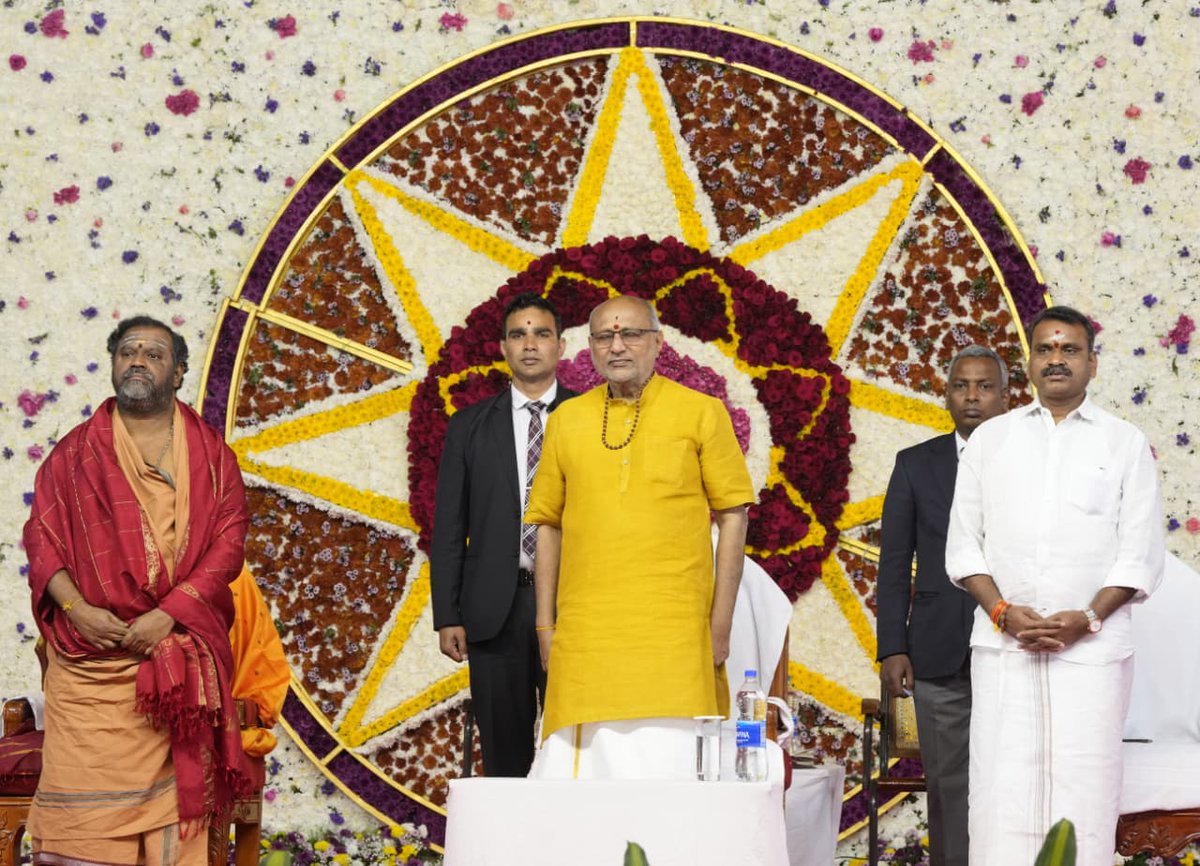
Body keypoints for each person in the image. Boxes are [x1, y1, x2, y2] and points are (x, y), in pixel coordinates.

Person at [23, 315, 252, 865]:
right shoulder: (73, 455)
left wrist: (168, 615)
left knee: (173, 825)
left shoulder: (212, 457)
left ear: (178, 372)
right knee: (83, 825)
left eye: (154, 354)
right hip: (90, 664)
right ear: (113, 364)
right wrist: (77, 609)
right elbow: (42, 541)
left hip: (172, 654)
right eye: (128, 352)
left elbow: (229, 545)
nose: (138, 362)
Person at [945, 306, 1165, 866]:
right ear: (1029, 363)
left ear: (1092, 362)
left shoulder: (1124, 443)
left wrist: (1086, 619)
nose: (1056, 360)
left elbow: (1139, 554)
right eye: (1045, 349)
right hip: (1004, 649)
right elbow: (963, 545)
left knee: (1084, 791)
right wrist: (1001, 612)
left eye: (1069, 350)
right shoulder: (990, 440)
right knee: (1000, 792)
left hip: (1091, 654)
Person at [525, 294, 755, 779]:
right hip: (586, 634)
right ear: (589, 347)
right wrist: (545, 626)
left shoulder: (702, 412)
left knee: (673, 771)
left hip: (675, 630)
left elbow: (733, 516)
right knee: (584, 781)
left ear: (657, 342)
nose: (617, 347)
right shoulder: (566, 419)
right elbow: (548, 524)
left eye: (630, 334)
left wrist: (720, 624)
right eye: (604, 337)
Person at [431, 293, 576, 776]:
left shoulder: (589, 417)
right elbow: (450, 527)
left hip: (573, 606)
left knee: (573, 750)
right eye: (518, 335)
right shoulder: (469, 426)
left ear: (561, 345)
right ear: (503, 348)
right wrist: (447, 614)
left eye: (541, 334)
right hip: (494, 611)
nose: (529, 345)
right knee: (504, 759)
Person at [876, 345, 1009, 866]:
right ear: (946, 395)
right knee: (950, 785)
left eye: (985, 386)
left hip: (1018, 648)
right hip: (937, 651)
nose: (972, 396)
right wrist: (892, 646)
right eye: (961, 385)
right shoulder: (915, 464)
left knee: (1016, 779)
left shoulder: (1031, 461)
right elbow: (894, 562)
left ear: (1006, 396)